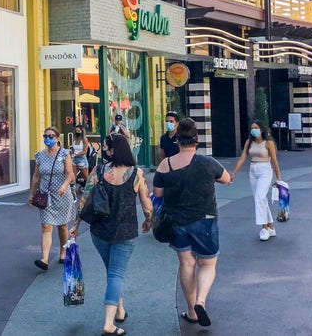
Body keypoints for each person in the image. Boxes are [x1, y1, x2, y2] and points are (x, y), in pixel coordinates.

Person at [71, 134, 153, 336]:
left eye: (106, 148)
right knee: (116, 274)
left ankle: (120, 310)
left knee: (112, 271)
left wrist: (76, 224)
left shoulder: (98, 171)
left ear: (113, 150)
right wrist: (149, 220)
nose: (104, 151)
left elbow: (85, 199)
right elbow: (146, 203)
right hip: (126, 232)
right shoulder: (136, 174)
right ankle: (108, 323)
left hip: (100, 231)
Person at [153, 118, 231, 328]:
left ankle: (191, 311)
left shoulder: (165, 164)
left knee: (186, 264)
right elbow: (227, 179)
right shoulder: (207, 163)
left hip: (177, 221)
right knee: (207, 264)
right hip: (205, 219)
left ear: (177, 141)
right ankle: (201, 301)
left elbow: (157, 194)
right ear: (197, 141)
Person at [28, 126, 75, 270]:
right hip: (45, 195)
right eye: (45, 136)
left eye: (51, 136)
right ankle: (45, 258)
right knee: (46, 226)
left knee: (62, 225)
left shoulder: (64, 154)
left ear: (57, 138)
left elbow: (70, 174)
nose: (47, 139)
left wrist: (64, 186)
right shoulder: (40, 156)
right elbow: (36, 176)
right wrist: (31, 193)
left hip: (62, 195)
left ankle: (63, 251)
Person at [230, 120, 282, 241]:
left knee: (259, 197)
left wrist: (278, 178)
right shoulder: (249, 142)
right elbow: (243, 157)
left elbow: (274, 160)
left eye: (256, 127)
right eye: (252, 127)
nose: (253, 129)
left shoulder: (268, 143)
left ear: (261, 129)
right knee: (260, 199)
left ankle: (264, 227)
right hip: (253, 169)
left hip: (265, 170)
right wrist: (234, 173)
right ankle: (270, 226)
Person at [70, 124, 91, 190]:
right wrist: (72, 151)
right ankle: (73, 190)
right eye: (76, 131)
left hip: (82, 159)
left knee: (85, 176)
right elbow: (73, 148)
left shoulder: (84, 140)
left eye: (79, 131)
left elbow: (85, 151)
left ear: (82, 131)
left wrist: (76, 154)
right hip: (74, 159)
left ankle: (88, 189)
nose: (77, 132)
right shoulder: (74, 139)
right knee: (73, 175)